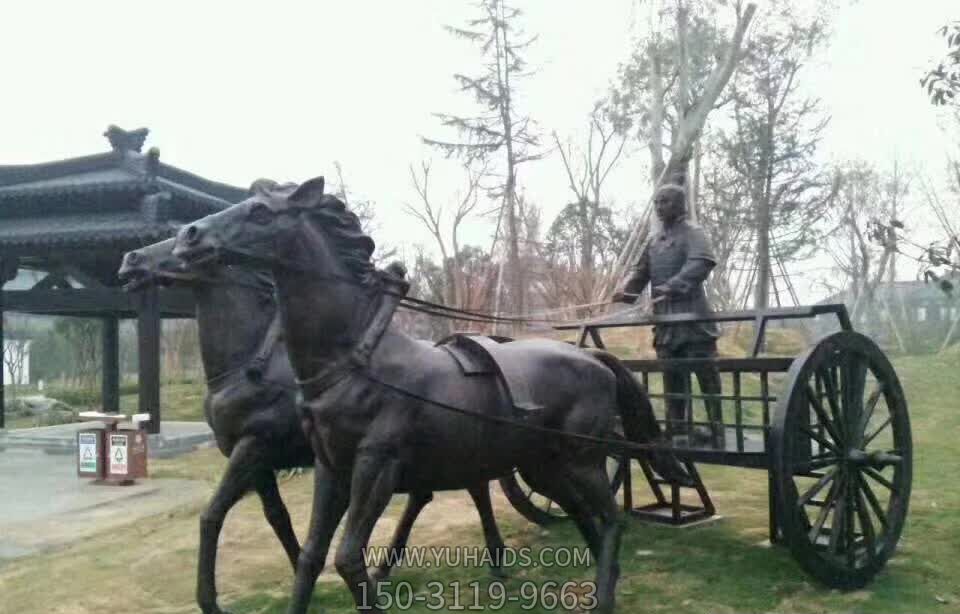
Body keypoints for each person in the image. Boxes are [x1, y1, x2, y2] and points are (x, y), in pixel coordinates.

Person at [613, 183, 724, 447]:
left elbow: (701, 263)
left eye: (666, 202)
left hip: (694, 321)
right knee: (673, 378)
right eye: (657, 202)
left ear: (680, 204)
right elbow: (641, 272)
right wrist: (626, 292)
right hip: (665, 324)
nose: (660, 207)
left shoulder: (693, 233)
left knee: (706, 377)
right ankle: (678, 429)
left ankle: (717, 430)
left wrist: (672, 286)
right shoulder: (654, 241)